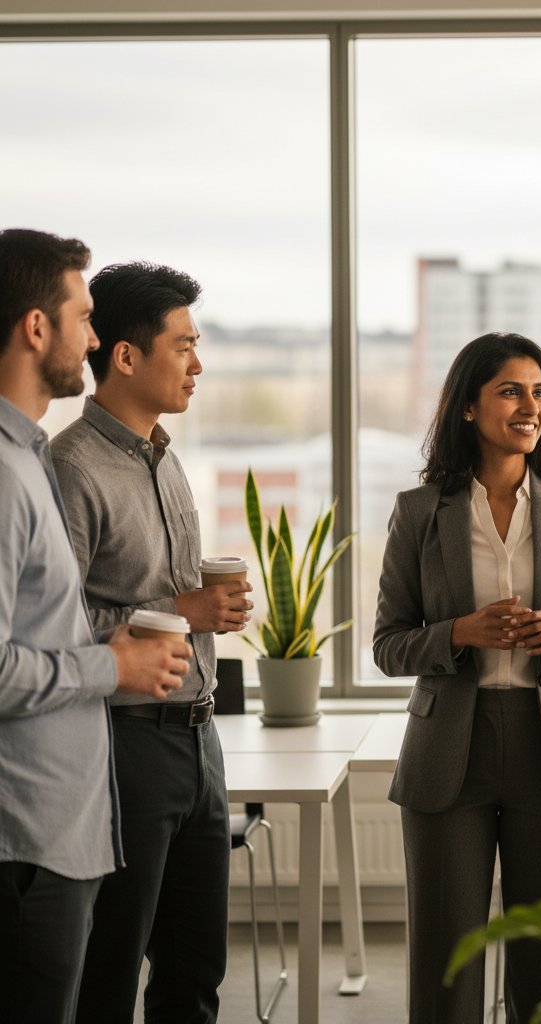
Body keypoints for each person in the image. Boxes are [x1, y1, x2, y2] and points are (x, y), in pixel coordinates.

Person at [374, 332, 541, 1023]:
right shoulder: (420, 512)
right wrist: (459, 633)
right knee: (447, 968)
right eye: (511, 390)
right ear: (467, 408)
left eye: (539, 392)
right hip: (451, 747)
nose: (530, 406)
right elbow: (389, 646)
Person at [50, 261, 253, 1024]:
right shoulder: (68, 468)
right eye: (184, 345)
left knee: (196, 972)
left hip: (201, 742)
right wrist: (185, 608)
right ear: (126, 356)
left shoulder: (166, 459)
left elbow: (141, 593)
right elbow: (56, 627)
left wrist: (203, 606)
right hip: (122, 745)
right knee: (110, 969)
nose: (198, 364)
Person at [0, 229, 191, 1024]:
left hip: (60, 834)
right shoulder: (10, 475)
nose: (92, 333)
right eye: (82, 316)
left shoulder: (29, 458)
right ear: (36, 329)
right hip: (26, 847)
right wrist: (112, 667)